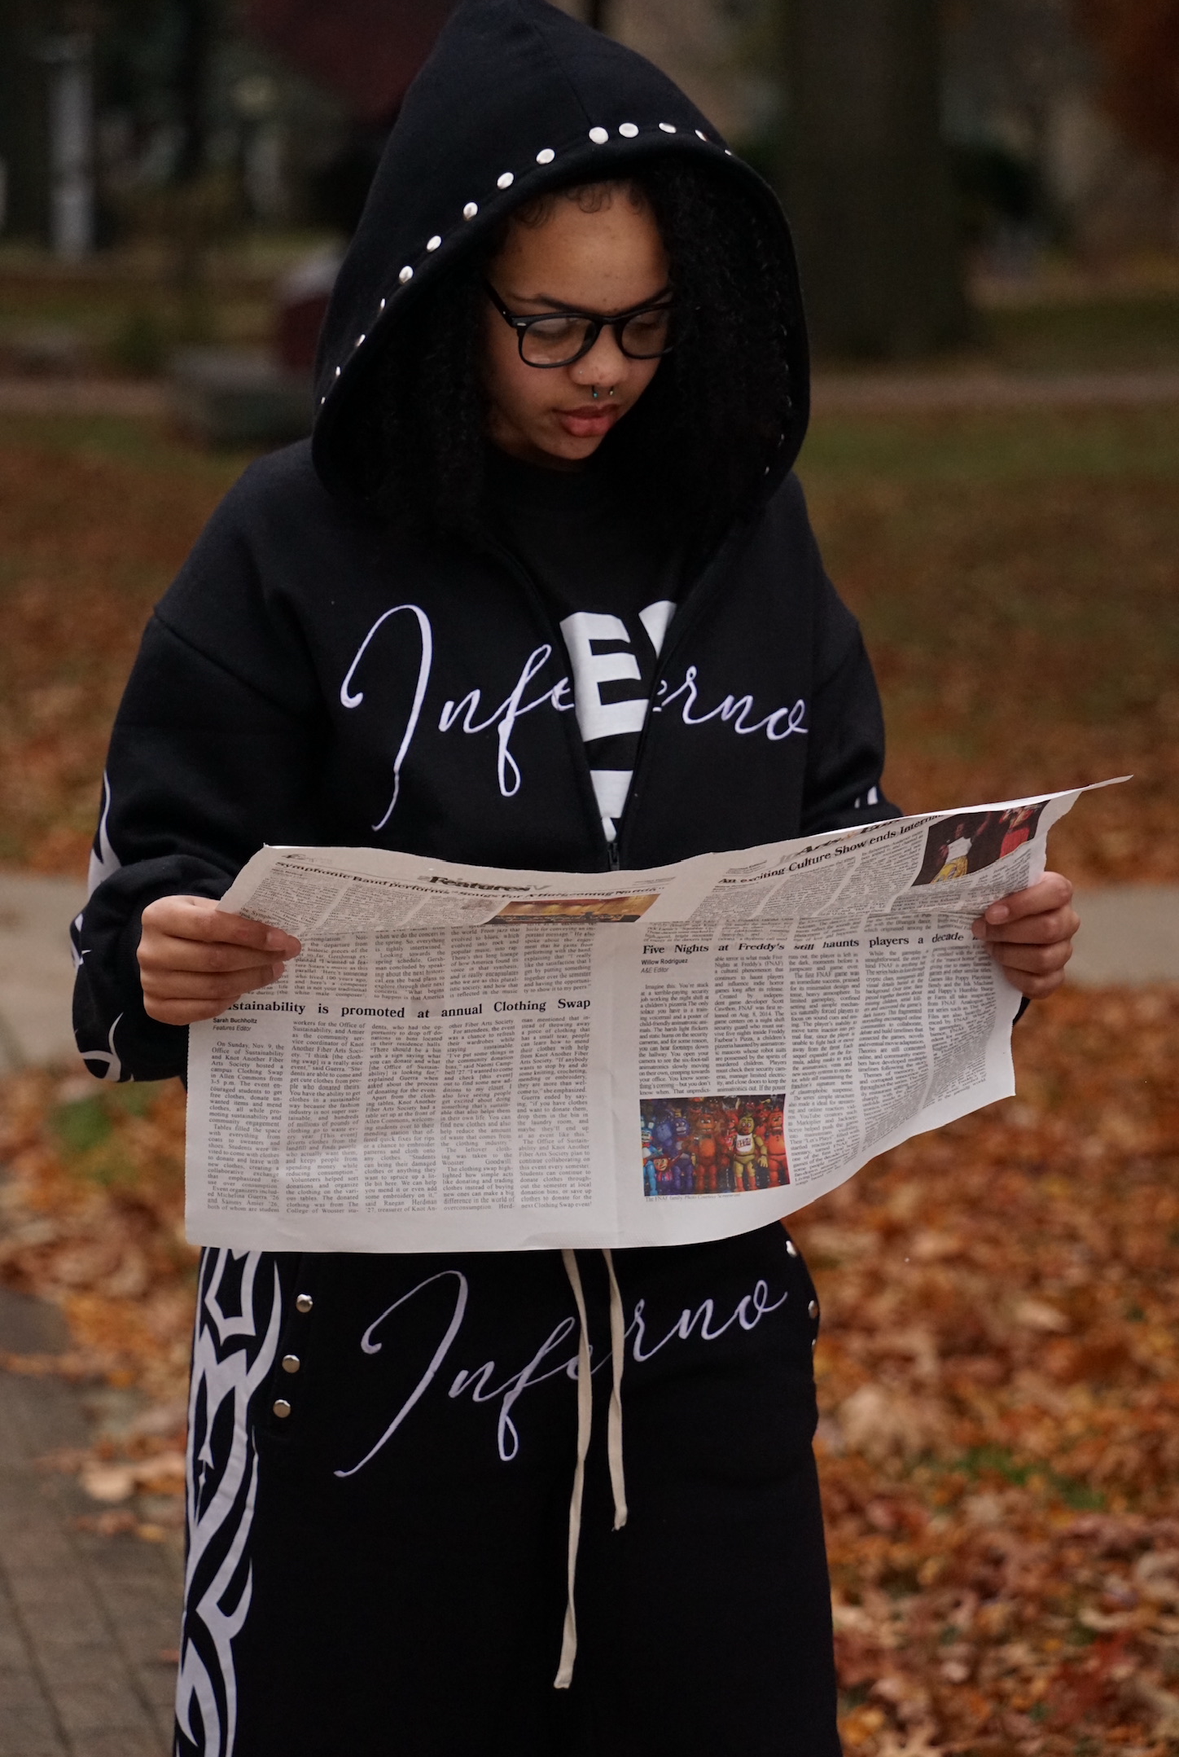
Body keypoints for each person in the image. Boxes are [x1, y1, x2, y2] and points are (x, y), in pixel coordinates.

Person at [69, 4, 1079, 1753]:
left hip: (701, 1353)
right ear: (440, 293)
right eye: (549, 326)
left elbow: (838, 830)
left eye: (641, 324)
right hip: (367, 1362)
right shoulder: (290, 542)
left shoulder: (745, 531)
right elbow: (139, 884)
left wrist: (968, 929)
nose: (600, 371)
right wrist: (156, 955)